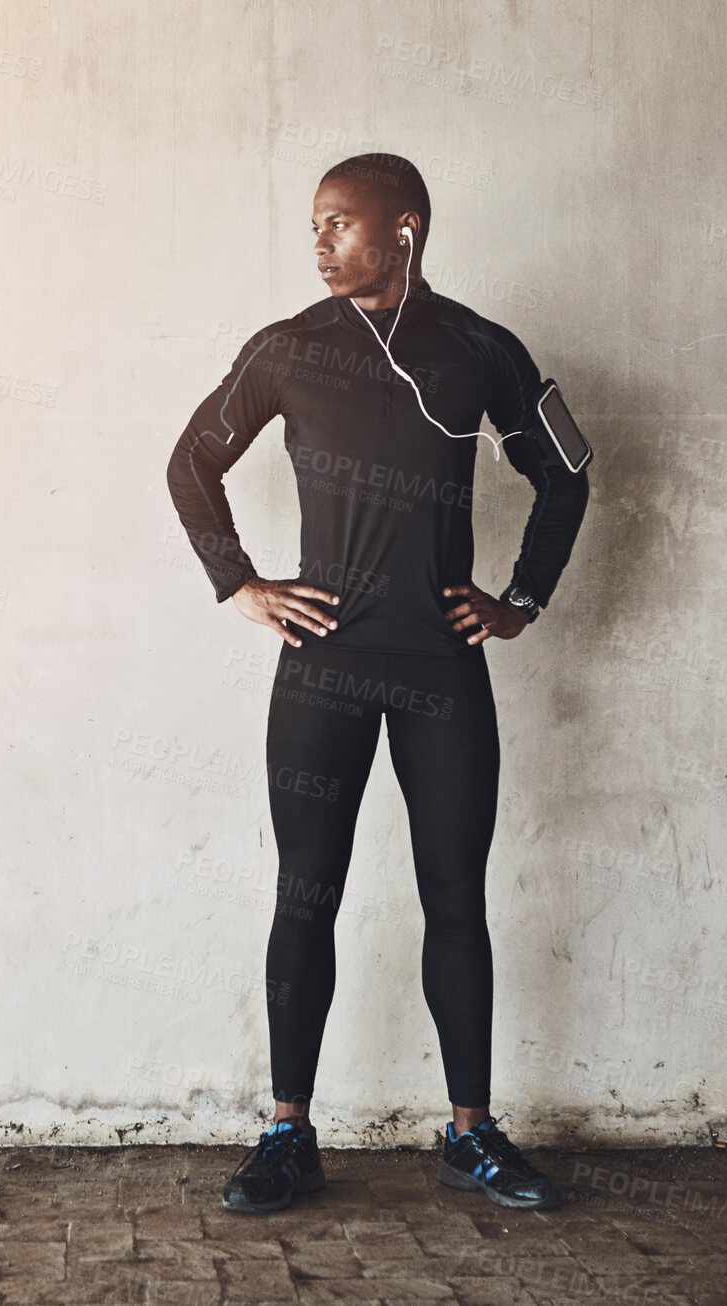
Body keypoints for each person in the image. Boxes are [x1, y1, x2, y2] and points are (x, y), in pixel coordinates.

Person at [165, 153, 590, 1214]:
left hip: (445, 665)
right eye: (314, 223)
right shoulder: (288, 350)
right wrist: (242, 583)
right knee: (305, 893)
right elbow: (190, 462)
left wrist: (521, 599)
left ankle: (472, 1133)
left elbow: (568, 469)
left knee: (456, 895)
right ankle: (287, 1132)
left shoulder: (479, 350)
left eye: (340, 223)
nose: (319, 242)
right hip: (326, 669)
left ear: (403, 231)